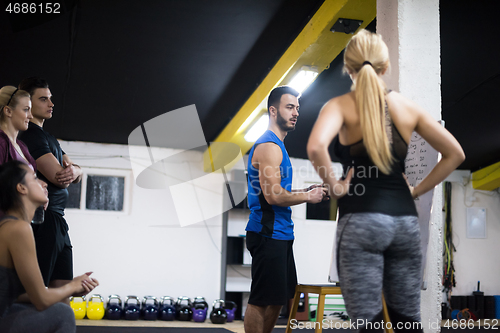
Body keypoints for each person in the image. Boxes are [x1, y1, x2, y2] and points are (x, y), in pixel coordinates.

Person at [307, 29, 465, 331]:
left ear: (348, 68)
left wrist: (338, 187)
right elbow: (455, 154)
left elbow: (315, 147)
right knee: (407, 321)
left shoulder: (339, 106)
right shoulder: (408, 108)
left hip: (361, 222)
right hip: (404, 223)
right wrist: (417, 189)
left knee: (368, 324)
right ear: (385, 66)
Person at [244, 86, 328, 333]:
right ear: (273, 111)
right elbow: (273, 196)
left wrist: (307, 189)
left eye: (297, 108)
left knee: (278, 298)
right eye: (289, 107)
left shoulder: (278, 147)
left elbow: (277, 190)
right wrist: (307, 196)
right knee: (261, 300)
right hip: (267, 233)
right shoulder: (269, 146)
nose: (296, 113)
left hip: (280, 234)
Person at [0, 160, 99, 332]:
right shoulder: (18, 229)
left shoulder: (12, 225)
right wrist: (72, 286)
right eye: (34, 178)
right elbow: (41, 299)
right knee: (63, 312)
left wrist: (72, 288)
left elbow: (13, 294)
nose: (44, 183)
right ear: (21, 188)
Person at [18, 77, 83, 292]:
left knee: (62, 291)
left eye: (51, 99)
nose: (51, 104)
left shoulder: (49, 138)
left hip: (58, 220)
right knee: (42, 292)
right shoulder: (31, 135)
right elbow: (59, 177)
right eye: (44, 99)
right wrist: (71, 171)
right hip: (43, 220)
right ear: (28, 103)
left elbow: (75, 172)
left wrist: (76, 170)